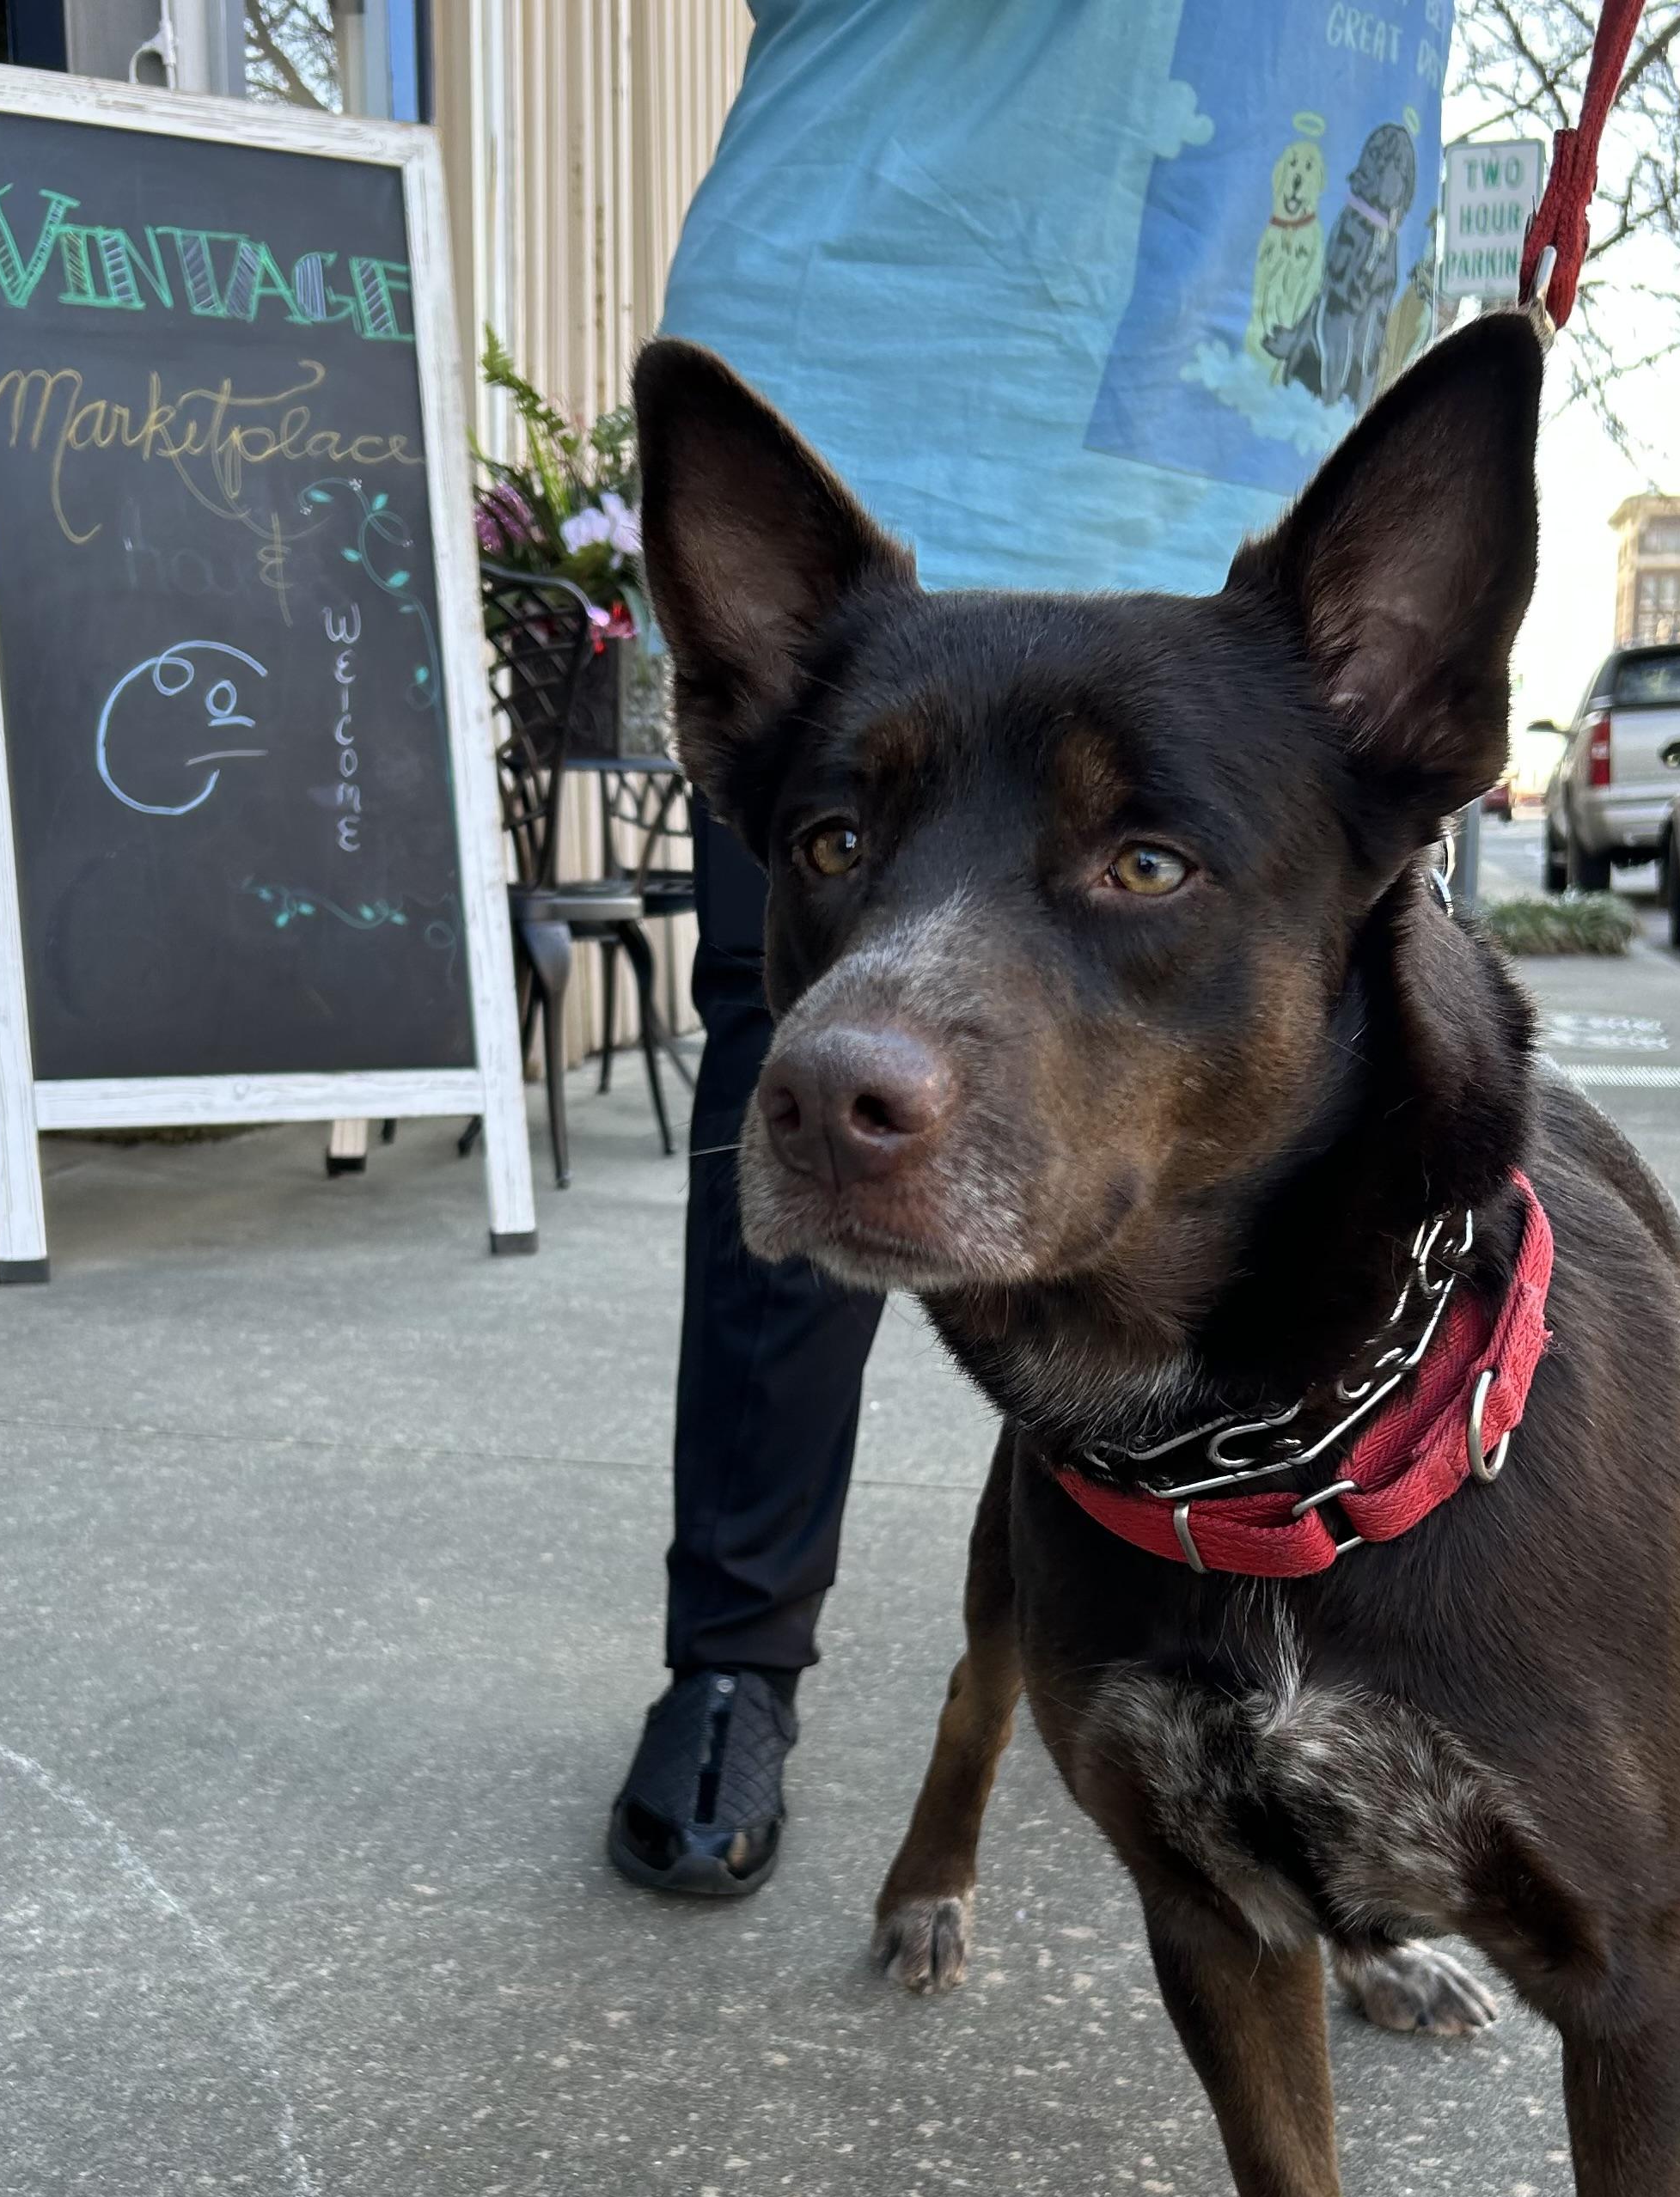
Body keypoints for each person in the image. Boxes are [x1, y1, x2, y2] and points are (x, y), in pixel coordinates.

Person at [608, 0, 1450, 1898]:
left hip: (1273, 373)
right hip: (902, 330)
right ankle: (734, 1665)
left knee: (1332, 1207)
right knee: (825, 1078)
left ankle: (1371, 1717)